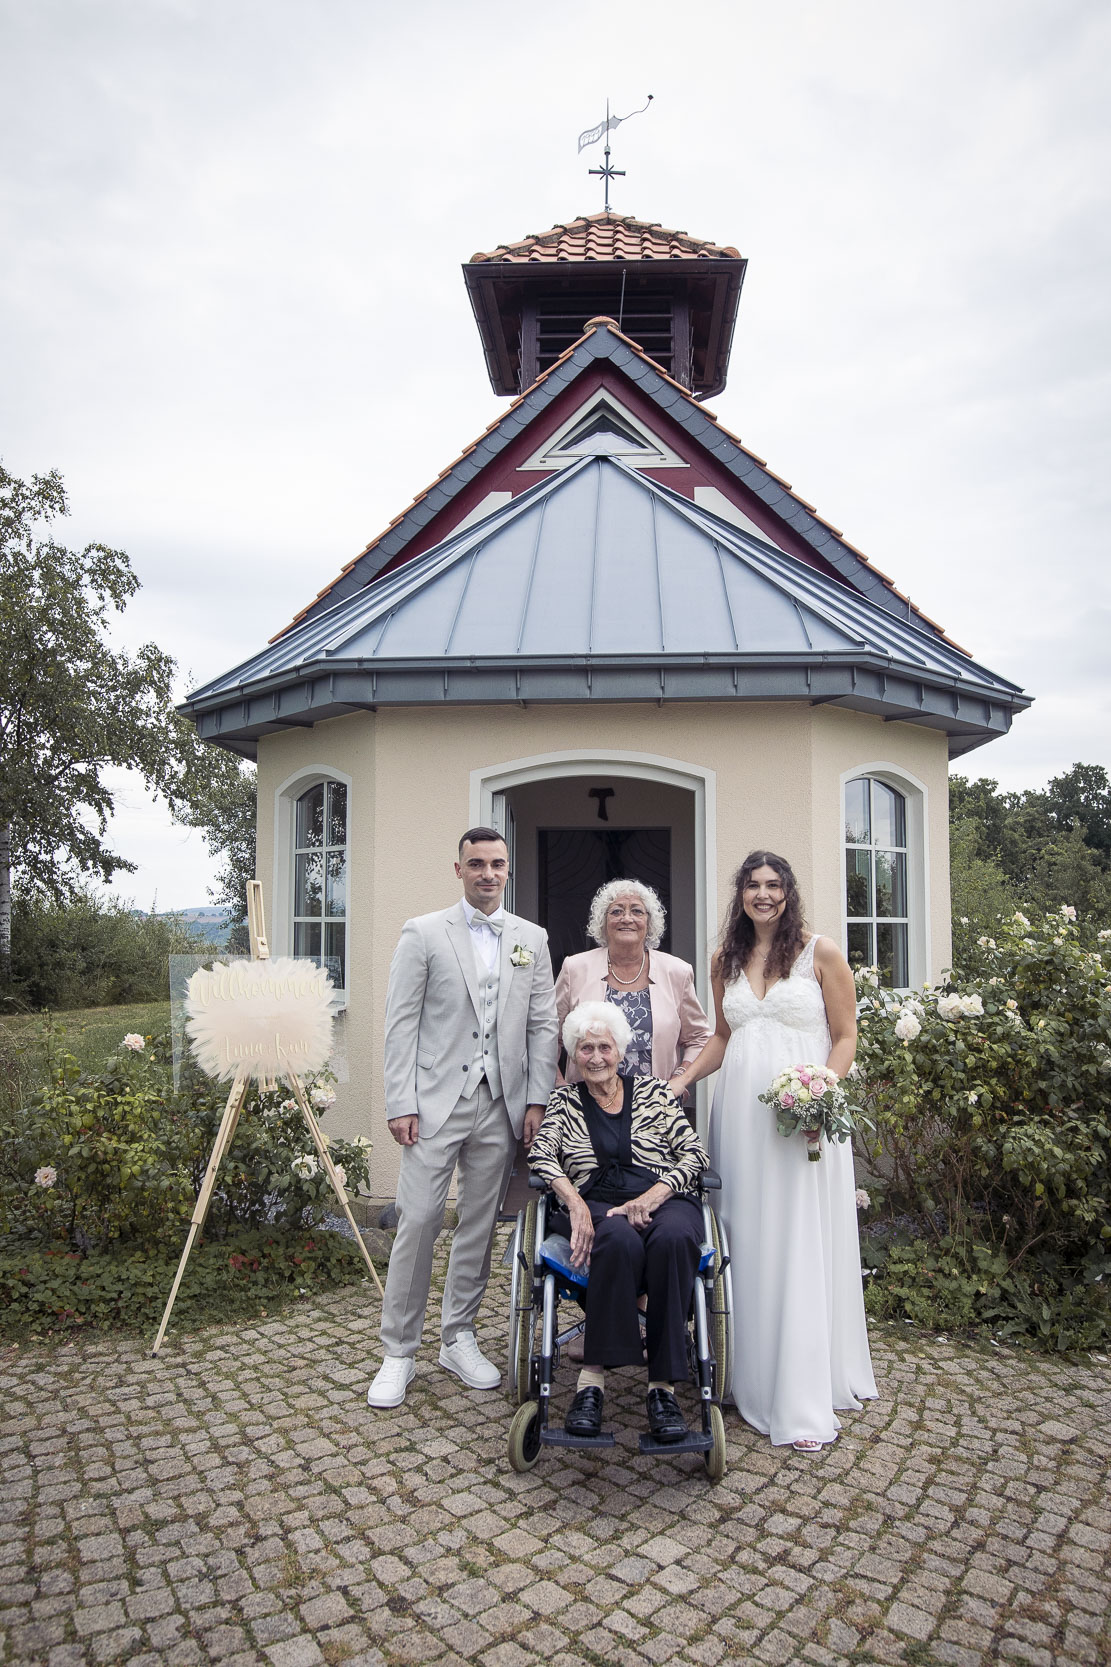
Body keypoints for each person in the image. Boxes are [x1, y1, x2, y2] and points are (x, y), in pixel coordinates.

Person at [673, 851, 877, 1450]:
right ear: (740, 894)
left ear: (788, 892)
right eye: (753, 885)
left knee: (795, 1236)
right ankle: (742, 1373)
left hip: (800, 1120)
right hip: (739, 1118)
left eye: (773, 885)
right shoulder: (724, 959)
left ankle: (800, 1393)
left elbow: (845, 1037)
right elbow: (723, 1036)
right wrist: (682, 1081)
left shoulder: (821, 953)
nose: (763, 894)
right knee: (744, 1236)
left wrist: (821, 1093)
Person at [367, 828, 559, 1409]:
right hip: (432, 1102)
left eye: (496, 863)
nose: (487, 873)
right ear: (459, 869)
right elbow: (401, 1021)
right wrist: (400, 1100)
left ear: (507, 869)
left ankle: (458, 1337)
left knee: (478, 1223)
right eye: (476, 864)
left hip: (500, 1103)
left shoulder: (531, 938)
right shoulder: (423, 932)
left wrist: (536, 1100)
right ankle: (399, 1351)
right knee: (420, 1219)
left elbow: (542, 1025)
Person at [529, 1001, 709, 1443]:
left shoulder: (654, 1093)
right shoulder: (564, 1101)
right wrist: (572, 1201)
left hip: (663, 1197)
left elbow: (695, 1155)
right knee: (616, 1238)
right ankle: (591, 1384)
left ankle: (662, 1389)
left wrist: (654, 1195)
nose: (595, 1057)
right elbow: (541, 1154)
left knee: (673, 1239)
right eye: (585, 1048)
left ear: (621, 1051)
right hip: (597, 1203)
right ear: (574, 1055)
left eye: (604, 1047)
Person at [554, 879, 711, 1099]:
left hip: (656, 1103)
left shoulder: (677, 972)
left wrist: (680, 1077)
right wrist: (558, 1082)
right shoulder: (575, 968)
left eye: (637, 911)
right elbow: (548, 1034)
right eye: (616, 911)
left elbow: (700, 1038)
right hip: (587, 1102)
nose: (626, 918)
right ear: (603, 921)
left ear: (649, 922)